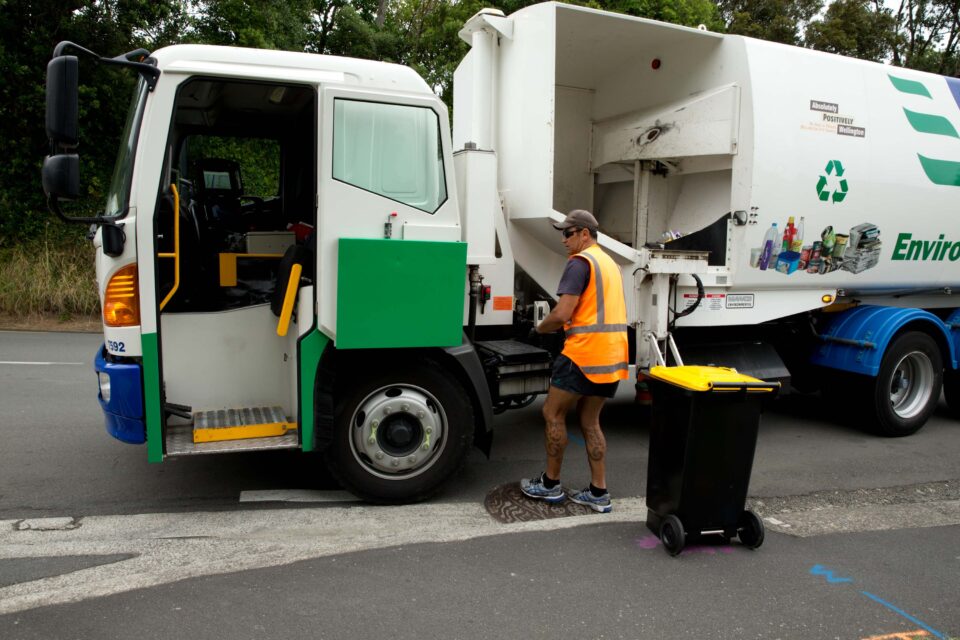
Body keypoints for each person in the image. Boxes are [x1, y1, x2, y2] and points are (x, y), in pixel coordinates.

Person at [520, 209, 629, 513]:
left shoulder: (580, 263)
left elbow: (561, 314)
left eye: (568, 233)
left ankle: (550, 485)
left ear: (584, 234)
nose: (564, 239)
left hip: (582, 353)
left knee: (552, 413)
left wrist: (539, 328)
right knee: (590, 421)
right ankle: (598, 492)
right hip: (611, 355)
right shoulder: (608, 263)